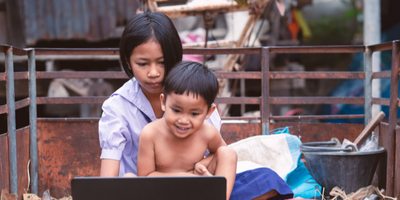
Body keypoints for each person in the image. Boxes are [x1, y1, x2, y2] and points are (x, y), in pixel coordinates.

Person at [99, 10, 293, 200]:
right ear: (128, 61)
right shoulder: (118, 107)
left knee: (266, 181)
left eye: (162, 62)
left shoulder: (194, 94)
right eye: (143, 64)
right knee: (128, 182)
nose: (153, 73)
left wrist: (200, 171)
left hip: (199, 187)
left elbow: (219, 153)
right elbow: (111, 176)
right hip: (149, 191)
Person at [137, 61, 237, 199]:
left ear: (209, 112)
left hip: (196, 192)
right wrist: (187, 177)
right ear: (163, 102)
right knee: (127, 177)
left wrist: (202, 165)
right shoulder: (150, 134)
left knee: (228, 153)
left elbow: (221, 155)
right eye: (176, 110)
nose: (183, 120)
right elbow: (144, 177)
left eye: (194, 114)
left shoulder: (208, 133)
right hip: (162, 192)